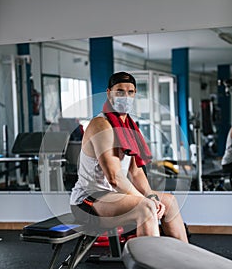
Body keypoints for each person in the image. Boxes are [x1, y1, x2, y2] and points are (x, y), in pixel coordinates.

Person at [70, 71, 188, 243]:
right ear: (109, 93)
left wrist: (151, 195)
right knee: (146, 206)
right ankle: (150, 267)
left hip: (114, 197)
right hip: (89, 201)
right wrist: (147, 200)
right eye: (119, 92)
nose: (125, 96)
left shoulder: (128, 127)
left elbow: (136, 172)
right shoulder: (101, 125)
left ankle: (185, 259)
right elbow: (114, 178)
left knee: (169, 201)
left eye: (130, 92)